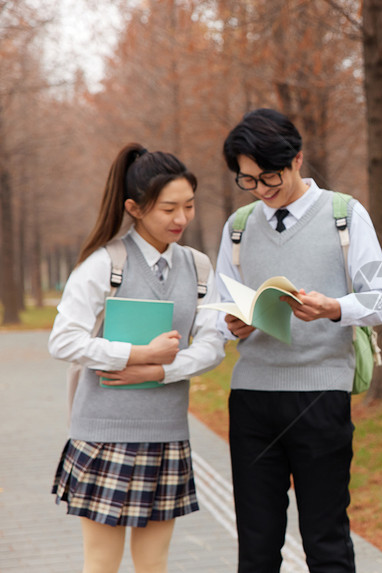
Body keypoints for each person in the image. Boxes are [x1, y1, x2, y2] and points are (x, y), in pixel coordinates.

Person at [215, 108, 382, 573]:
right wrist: (232, 323)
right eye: (248, 180)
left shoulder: (344, 215)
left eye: (269, 176)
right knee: (256, 546)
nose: (260, 190)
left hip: (320, 397)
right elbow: (220, 309)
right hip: (251, 397)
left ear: (297, 159)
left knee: (326, 540)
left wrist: (334, 308)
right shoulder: (237, 226)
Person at [49, 143, 225, 573]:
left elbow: (213, 342)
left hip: (167, 435)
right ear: (135, 207)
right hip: (103, 435)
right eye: (168, 209)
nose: (181, 219)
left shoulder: (199, 268)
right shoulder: (103, 264)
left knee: (154, 564)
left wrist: (163, 369)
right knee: (102, 563)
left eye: (188, 206)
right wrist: (135, 353)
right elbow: (63, 340)